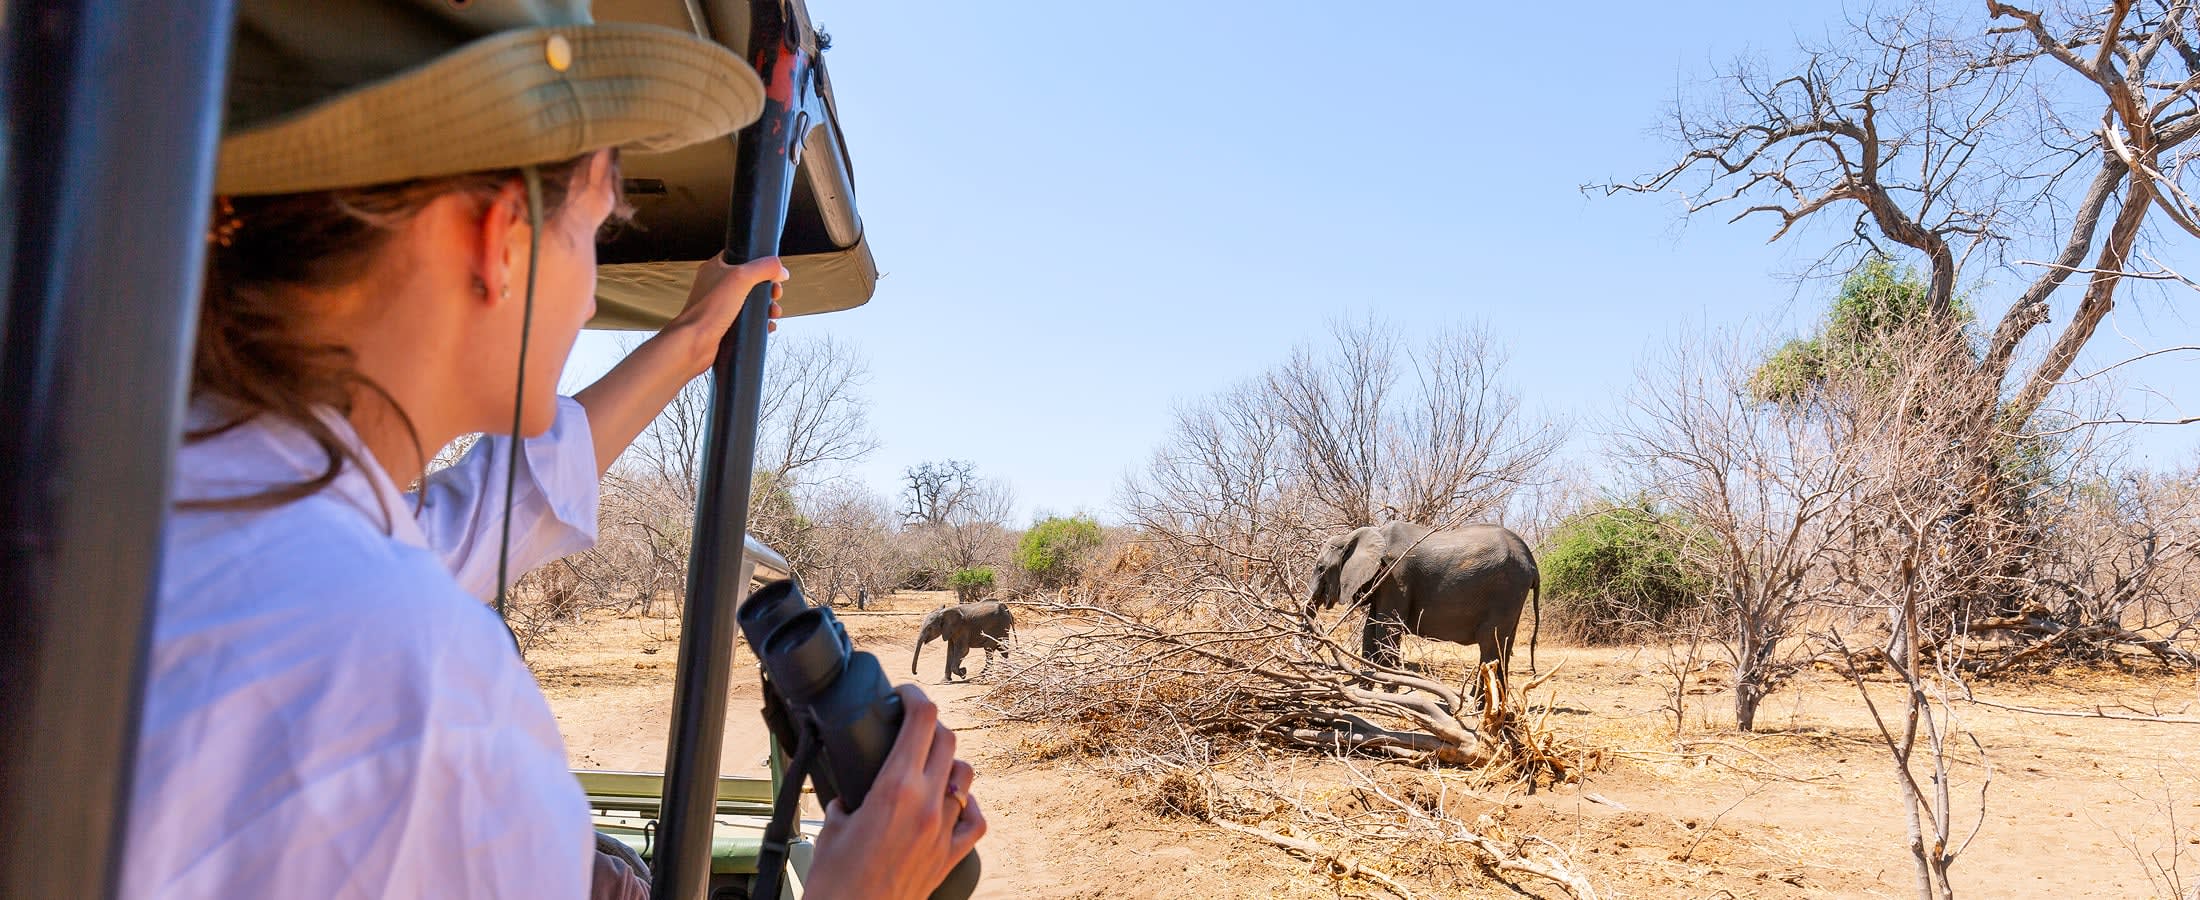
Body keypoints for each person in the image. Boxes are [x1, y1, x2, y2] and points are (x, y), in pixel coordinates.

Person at [122, 2, 984, 898]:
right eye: (592, 230)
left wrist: (689, 340)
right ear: (502, 242)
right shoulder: (417, 704)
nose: (583, 300)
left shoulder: (166, 510)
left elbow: (470, 522)